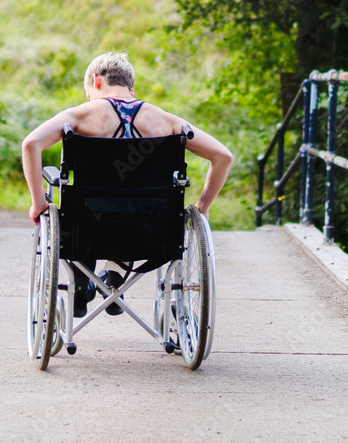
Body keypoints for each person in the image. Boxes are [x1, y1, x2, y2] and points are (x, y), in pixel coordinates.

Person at [20, 51, 233, 315]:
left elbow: (30, 144)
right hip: (149, 229)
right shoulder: (167, 121)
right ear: (130, 89)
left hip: (87, 228)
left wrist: (38, 203)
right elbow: (223, 156)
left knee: (83, 210)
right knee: (132, 205)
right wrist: (202, 206)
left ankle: (81, 283)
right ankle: (114, 275)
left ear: (96, 81)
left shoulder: (78, 116)